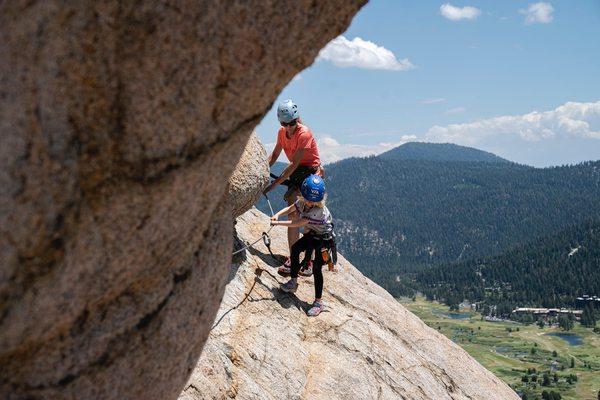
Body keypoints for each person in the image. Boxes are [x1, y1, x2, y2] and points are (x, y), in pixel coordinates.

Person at [264, 99, 322, 272]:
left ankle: (308, 262)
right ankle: (294, 257)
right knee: (293, 211)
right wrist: (262, 169)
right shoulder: (282, 133)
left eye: (291, 123)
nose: (288, 127)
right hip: (300, 173)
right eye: (284, 123)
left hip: (311, 173)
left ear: (296, 119)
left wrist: (273, 184)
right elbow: (274, 154)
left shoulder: (304, 133)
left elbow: (293, 164)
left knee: (306, 215)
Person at [269, 175, 334, 317]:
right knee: (296, 249)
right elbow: (292, 208)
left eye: (314, 201)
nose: (311, 203)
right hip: (312, 234)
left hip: (323, 240)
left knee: (317, 268)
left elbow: (297, 223)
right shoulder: (304, 201)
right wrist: (277, 215)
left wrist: (277, 222)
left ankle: (318, 302)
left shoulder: (318, 211)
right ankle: (293, 282)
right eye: (309, 199)